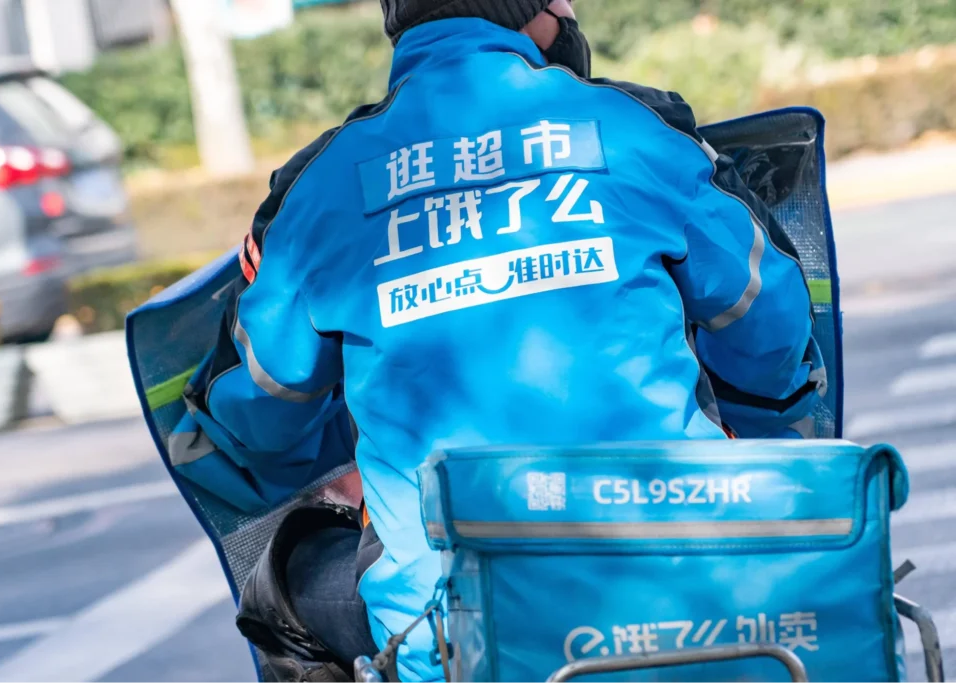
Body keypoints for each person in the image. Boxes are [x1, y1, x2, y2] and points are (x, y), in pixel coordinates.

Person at [188, 1, 827, 681]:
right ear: (540, 10)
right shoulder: (637, 130)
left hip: (456, 640)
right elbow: (771, 326)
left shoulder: (319, 190)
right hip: (693, 593)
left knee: (288, 572)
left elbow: (254, 424)